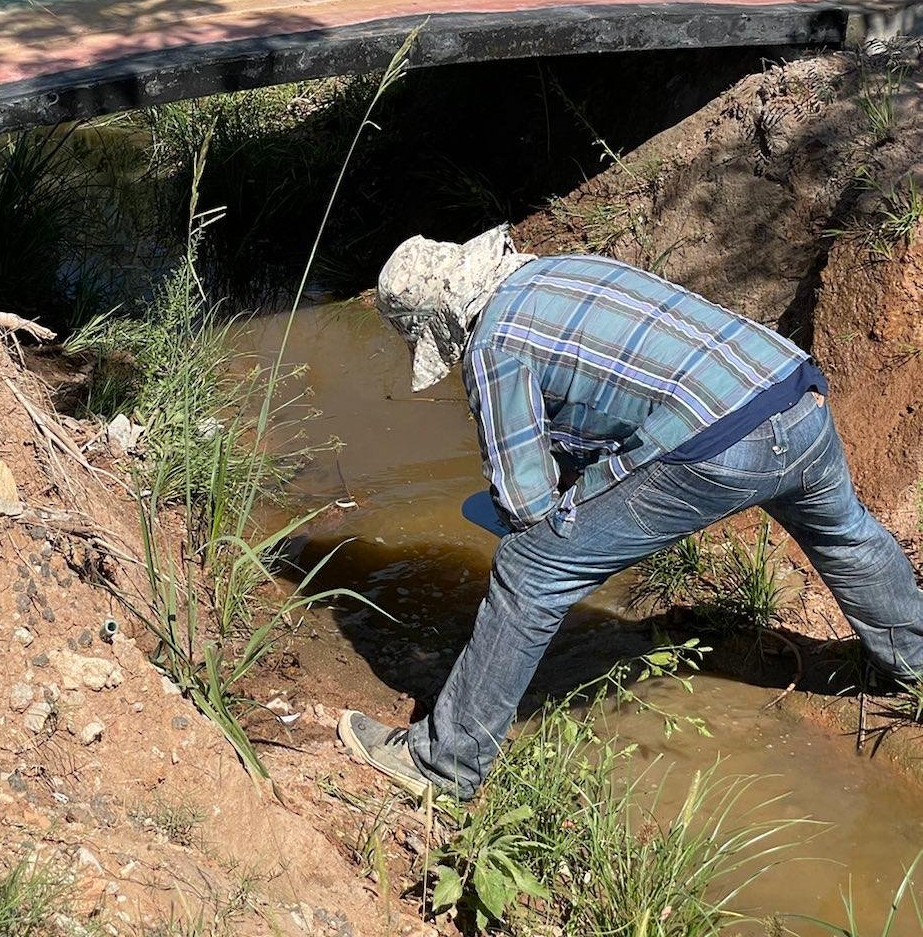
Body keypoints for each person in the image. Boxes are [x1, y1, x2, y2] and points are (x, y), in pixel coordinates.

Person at [337, 230, 923, 801]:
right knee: (848, 536)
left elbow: (525, 503)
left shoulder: (495, 342)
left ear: (437, 326)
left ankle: (444, 762)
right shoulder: (559, 270)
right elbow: (619, 391)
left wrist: (557, 521)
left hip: (716, 444)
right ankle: (914, 664)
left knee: (531, 571)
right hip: (794, 392)